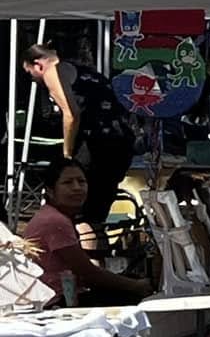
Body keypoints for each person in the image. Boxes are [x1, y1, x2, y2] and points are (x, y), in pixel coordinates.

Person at [22, 43, 138, 239]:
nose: (33, 79)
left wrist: (67, 154)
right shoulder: (85, 71)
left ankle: (77, 255)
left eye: (30, 73)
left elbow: (71, 114)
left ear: (38, 64)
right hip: (121, 143)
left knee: (79, 213)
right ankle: (97, 256)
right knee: (96, 216)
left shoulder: (53, 71)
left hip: (96, 145)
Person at [13, 158, 151, 302]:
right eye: (68, 183)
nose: (77, 188)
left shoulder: (56, 216)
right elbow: (88, 273)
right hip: (56, 299)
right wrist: (136, 286)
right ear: (50, 191)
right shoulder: (54, 221)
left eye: (81, 182)